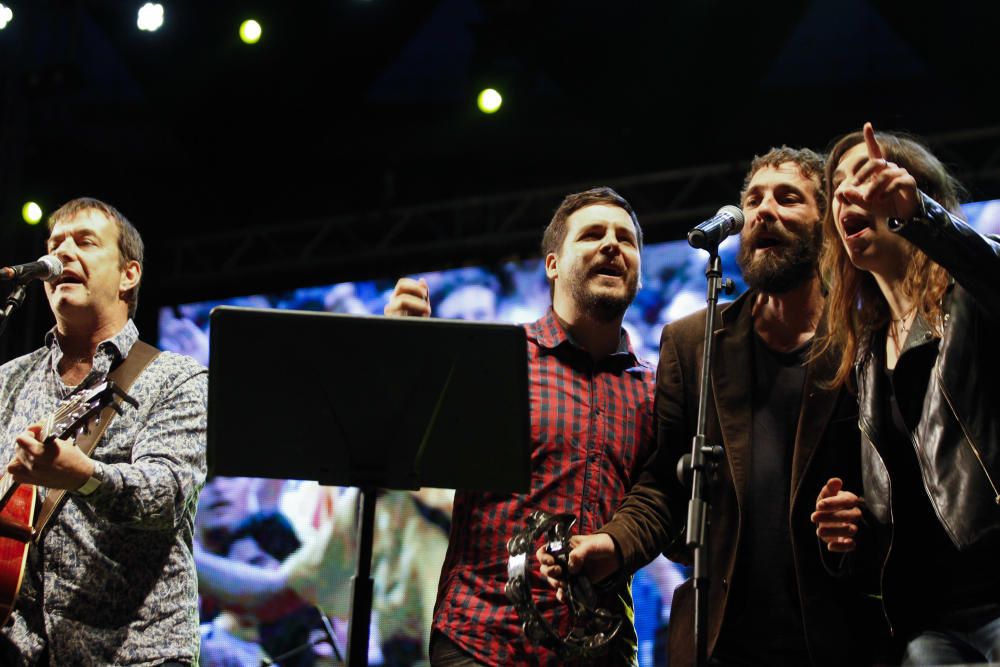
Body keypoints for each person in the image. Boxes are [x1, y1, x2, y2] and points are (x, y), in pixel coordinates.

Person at [541, 149, 881, 666]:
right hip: (719, 642)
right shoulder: (694, 342)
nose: (764, 210)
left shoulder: (865, 339)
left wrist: (865, 520)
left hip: (838, 636)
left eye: (787, 198)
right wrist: (612, 546)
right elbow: (663, 484)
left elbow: (901, 474)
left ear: (826, 225)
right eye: (753, 200)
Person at [385, 186, 657, 666]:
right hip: (481, 642)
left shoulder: (653, 391)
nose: (611, 245)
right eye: (592, 234)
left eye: (626, 239)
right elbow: (402, 459)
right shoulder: (496, 360)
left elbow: (662, 522)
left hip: (599, 651)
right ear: (552, 264)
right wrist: (404, 360)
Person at [810, 122, 1000, 665]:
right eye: (836, 186)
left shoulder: (970, 299)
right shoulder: (866, 357)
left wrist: (921, 220)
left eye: (862, 176)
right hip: (927, 625)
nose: (845, 192)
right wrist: (847, 531)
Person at [0, 197, 208, 665]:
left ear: (128, 275)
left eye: (85, 242)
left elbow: (168, 494)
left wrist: (85, 476)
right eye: (55, 244)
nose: (62, 253)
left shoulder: (176, 378)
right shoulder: (7, 381)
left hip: (138, 653)